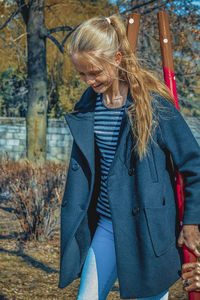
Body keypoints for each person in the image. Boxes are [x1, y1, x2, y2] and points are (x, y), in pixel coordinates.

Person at [58, 15, 200, 300]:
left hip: (148, 230)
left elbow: (194, 165)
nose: (88, 80)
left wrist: (191, 223)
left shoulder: (153, 105)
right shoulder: (89, 104)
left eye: (95, 72)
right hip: (107, 225)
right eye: (82, 74)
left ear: (117, 58)